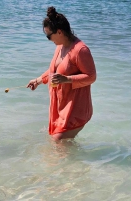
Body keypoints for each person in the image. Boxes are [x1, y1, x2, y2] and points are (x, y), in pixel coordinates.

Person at [27, 6, 96, 141]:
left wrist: (67, 79)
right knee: (60, 146)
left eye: (48, 35)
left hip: (74, 108)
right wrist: (38, 80)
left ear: (59, 32)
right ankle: (78, 162)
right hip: (60, 106)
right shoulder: (60, 46)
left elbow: (91, 76)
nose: (48, 39)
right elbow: (54, 71)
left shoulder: (80, 50)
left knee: (58, 142)